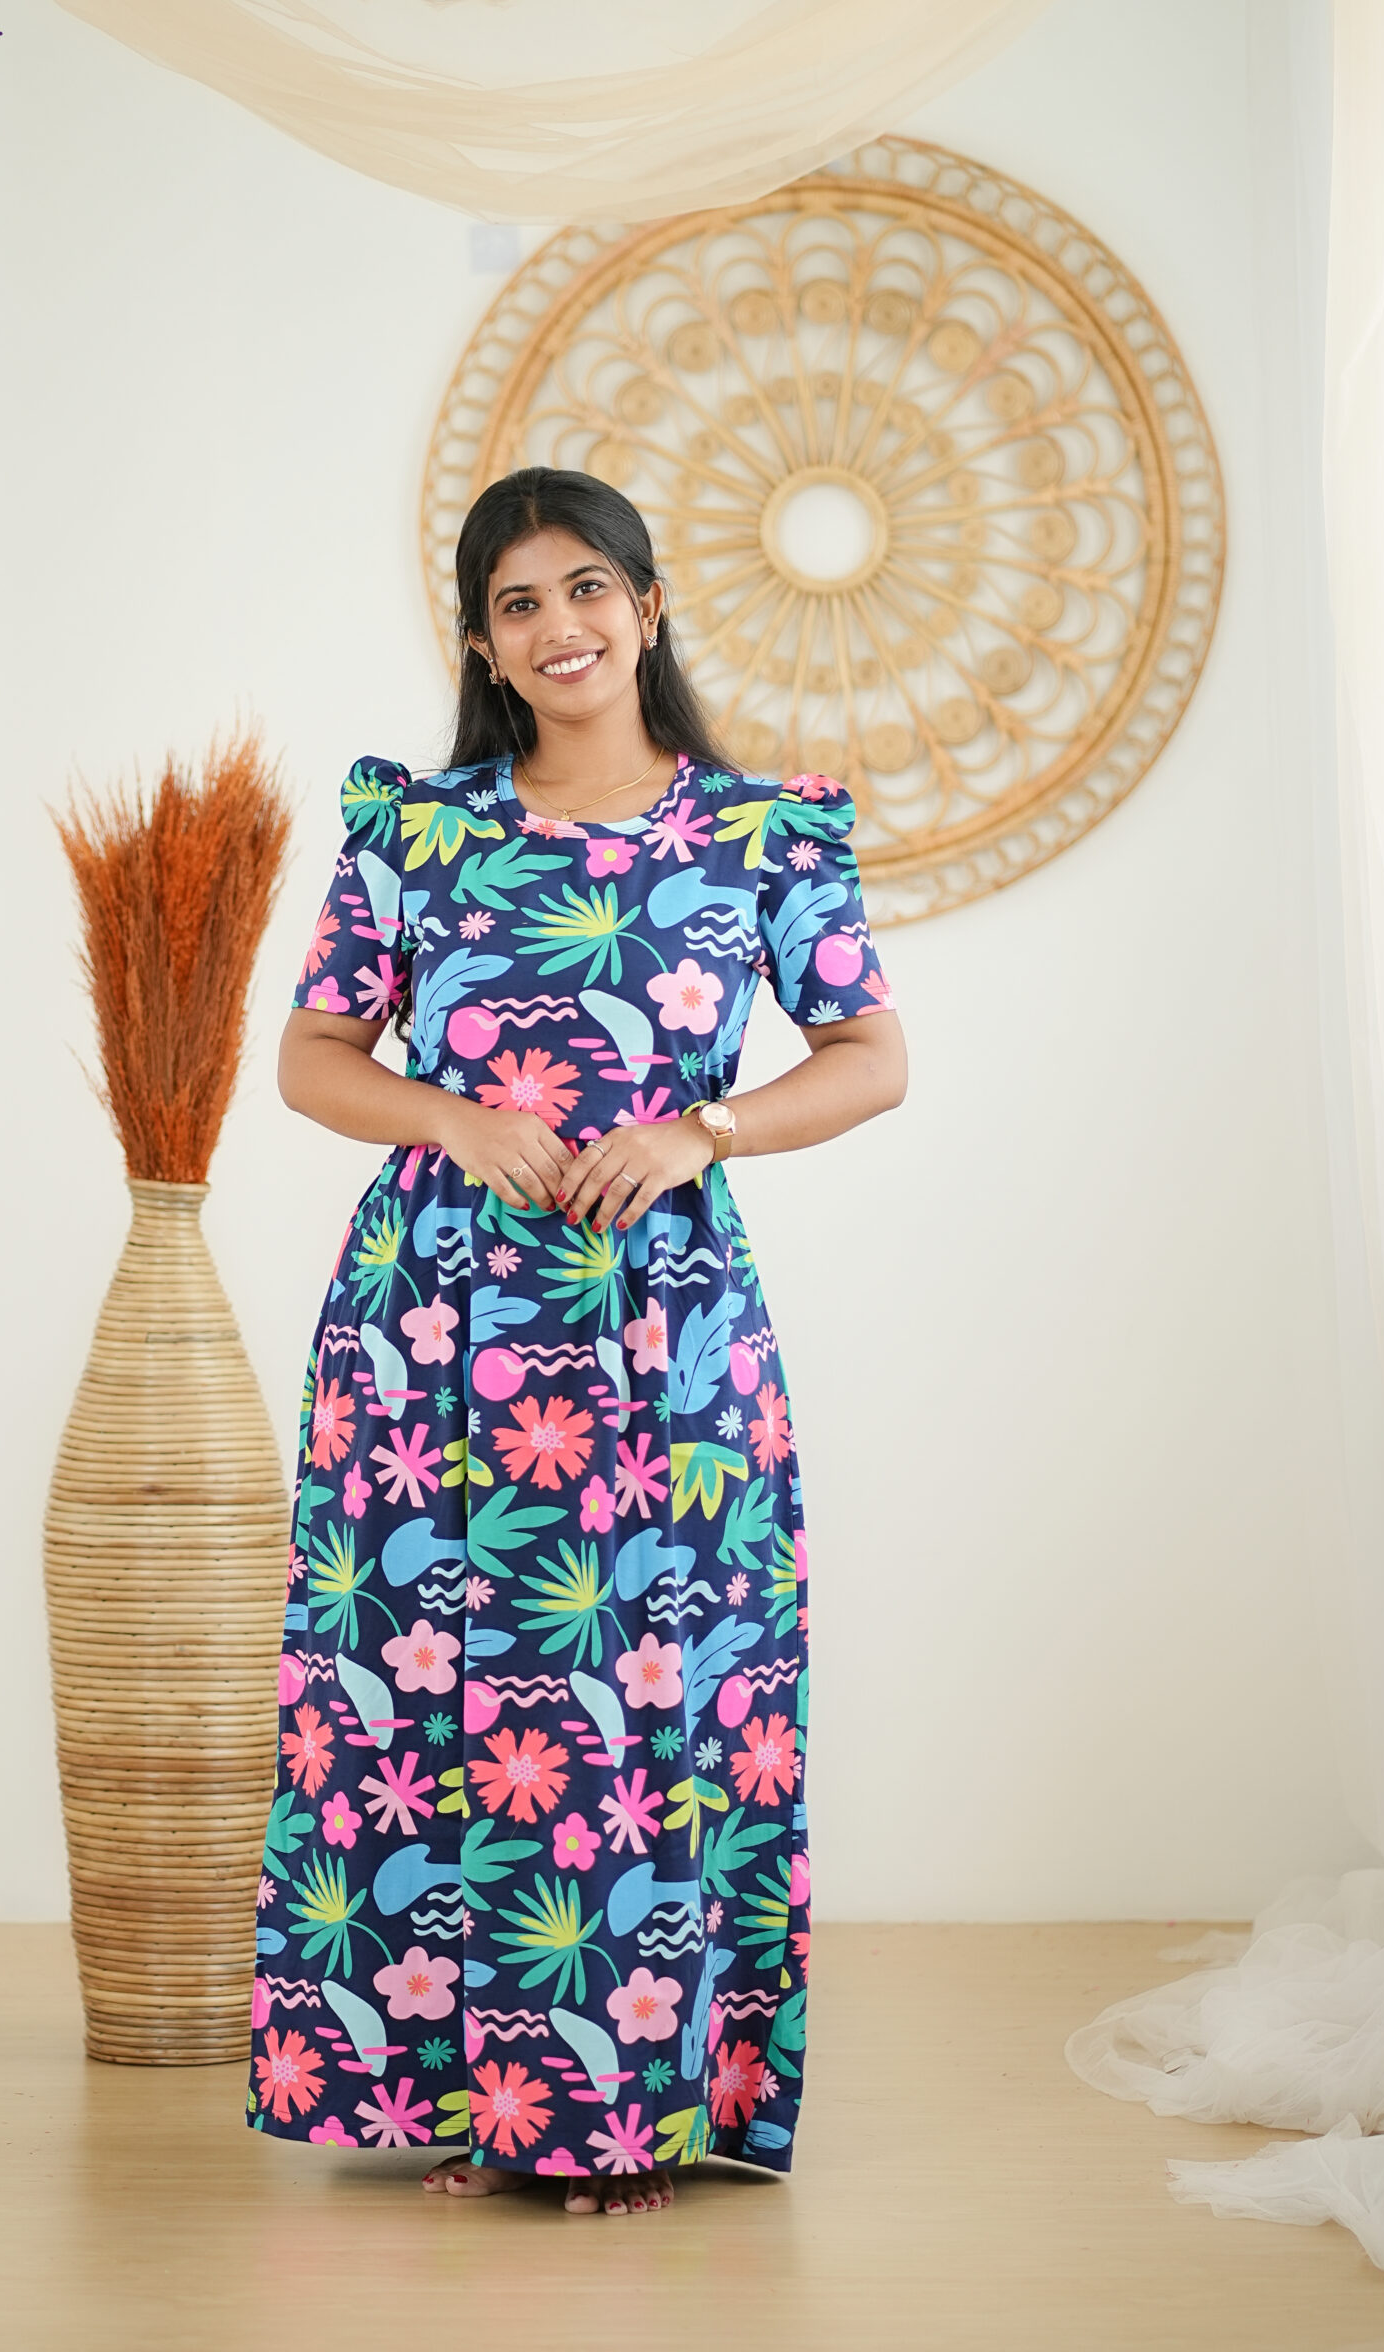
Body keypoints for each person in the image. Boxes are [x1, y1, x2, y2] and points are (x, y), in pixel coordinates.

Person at [246, 465, 906, 2215]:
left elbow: (870, 1057)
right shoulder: (413, 833)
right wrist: (451, 1118)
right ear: (480, 641)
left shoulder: (761, 833)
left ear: (648, 604)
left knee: (652, 1699)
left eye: (587, 587)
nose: (559, 627)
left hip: (659, 1332)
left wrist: (704, 1130)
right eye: (518, 603)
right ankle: (472, 2099)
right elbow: (311, 1058)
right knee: (426, 1689)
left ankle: (630, 2103)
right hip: (431, 1332)